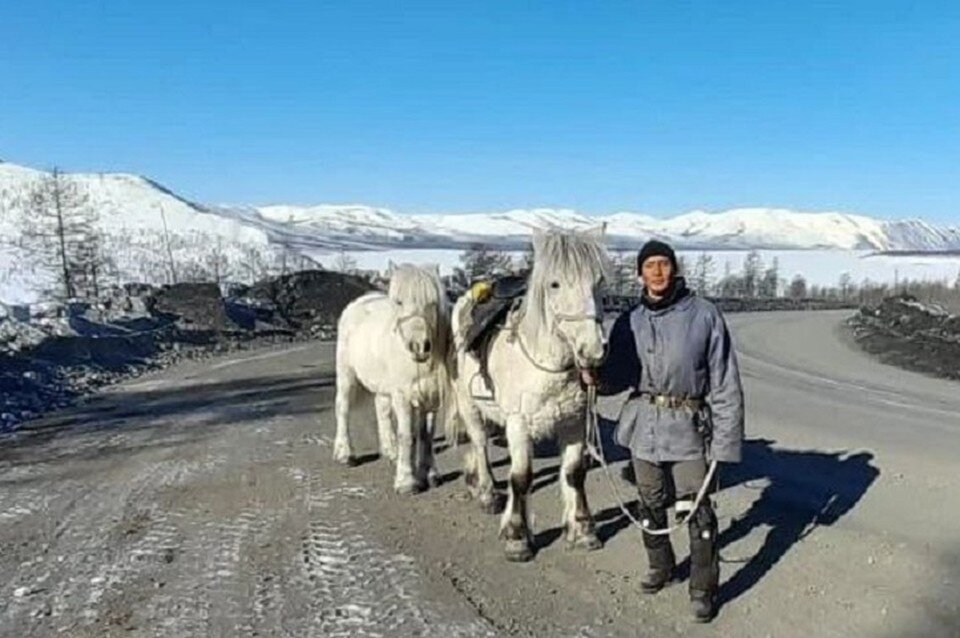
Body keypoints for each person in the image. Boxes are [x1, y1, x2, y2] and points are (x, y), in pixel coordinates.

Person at [581, 239, 744, 623]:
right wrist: (596, 378)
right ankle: (661, 566)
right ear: (640, 273)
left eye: (664, 264)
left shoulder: (704, 315)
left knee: (696, 510)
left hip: (688, 427)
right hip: (644, 428)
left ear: (675, 269)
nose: (657, 271)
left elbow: (725, 384)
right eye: (649, 265)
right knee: (650, 502)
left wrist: (725, 443)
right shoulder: (630, 321)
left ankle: (702, 589)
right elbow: (619, 375)